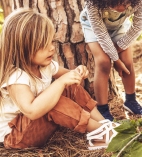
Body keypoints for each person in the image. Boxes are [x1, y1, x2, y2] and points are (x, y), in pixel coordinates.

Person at [0, 8, 119, 150]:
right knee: (55, 101)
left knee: (69, 87)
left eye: (51, 42)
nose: (52, 48)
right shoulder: (16, 77)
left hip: (34, 127)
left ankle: (104, 124)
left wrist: (77, 72)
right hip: (16, 137)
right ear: (23, 48)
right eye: (43, 45)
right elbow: (32, 111)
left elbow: (69, 77)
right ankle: (101, 133)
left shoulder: (44, 66)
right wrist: (62, 82)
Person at [77, 0, 142, 121]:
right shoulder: (93, 0)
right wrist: (115, 60)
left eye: (125, 3)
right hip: (94, 28)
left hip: (120, 27)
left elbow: (137, 26)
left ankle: (131, 101)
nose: (120, 8)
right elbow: (100, 33)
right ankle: (102, 108)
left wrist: (119, 51)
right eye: (115, 2)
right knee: (104, 63)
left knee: (127, 62)